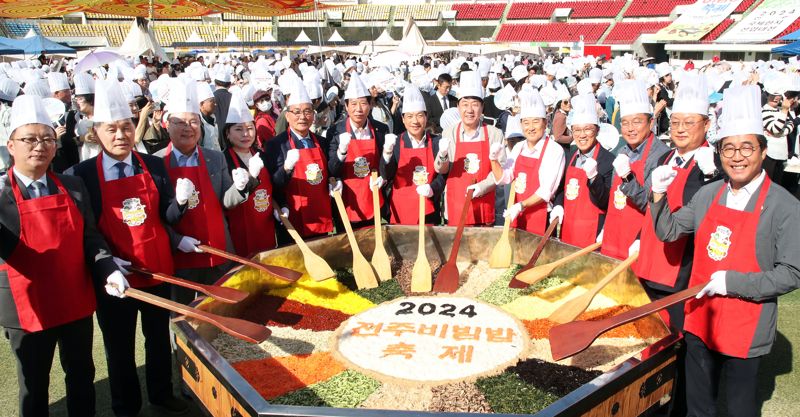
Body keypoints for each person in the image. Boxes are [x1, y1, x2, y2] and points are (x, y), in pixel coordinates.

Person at [649, 84, 800, 417]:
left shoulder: (784, 206)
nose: (737, 156)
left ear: (763, 151)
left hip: (746, 327)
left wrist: (733, 283)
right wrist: (658, 195)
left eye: (747, 147)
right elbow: (669, 230)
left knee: (739, 409)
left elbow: (791, 273)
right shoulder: (709, 194)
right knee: (698, 407)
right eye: (728, 148)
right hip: (701, 318)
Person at [65, 79, 189, 417]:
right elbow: (84, 230)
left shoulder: (155, 166)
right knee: (118, 348)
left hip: (156, 267)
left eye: (126, 127)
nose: (120, 135)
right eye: (111, 129)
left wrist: (180, 203)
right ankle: (126, 407)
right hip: (115, 278)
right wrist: (106, 264)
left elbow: (167, 217)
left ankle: (162, 394)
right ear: (96, 132)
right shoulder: (81, 175)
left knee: (158, 339)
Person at [0, 95, 124, 417]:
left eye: (47, 139)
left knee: (82, 373)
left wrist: (107, 268)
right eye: (29, 139)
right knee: (34, 382)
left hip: (74, 299)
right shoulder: (0, 195)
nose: (39, 146)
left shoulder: (73, 184)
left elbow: (90, 237)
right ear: (11, 145)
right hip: (26, 306)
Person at [631, 73, 722, 331]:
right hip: (650, 257)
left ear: (706, 124)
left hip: (681, 266)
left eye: (689, 122)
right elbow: (653, 203)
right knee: (646, 328)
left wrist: (711, 176)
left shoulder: (712, 164)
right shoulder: (665, 158)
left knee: (672, 332)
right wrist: (639, 238)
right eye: (675, 122)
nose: (680, 129)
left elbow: (709, 215)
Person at [157, 79, 252, 304]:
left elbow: (226, 202)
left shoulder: (214, 157)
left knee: (221, 308)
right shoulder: (157, 162)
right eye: (179, 122)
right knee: (183, 315)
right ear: (167, 125)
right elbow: (155, 217)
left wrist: (240, 188)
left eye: (193, 122)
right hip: (180, 257)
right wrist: (177, 240)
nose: (188, 128)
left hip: (218, 250)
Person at [600, 79, 670, 260]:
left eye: (637, 122)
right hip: (614, 235)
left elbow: (649, 204)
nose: (630, 129)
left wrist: (627, 177)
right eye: (625, 123)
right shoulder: (623, 150)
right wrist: (605, 228)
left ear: (651, 121)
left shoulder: (661, 155)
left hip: (638, 241)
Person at [436, 70, 506, 227]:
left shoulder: (494, 134)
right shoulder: (449, 133)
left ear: (482, 107)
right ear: (458, 106)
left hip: (484, 204)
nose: (469, 110)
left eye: (475, 105)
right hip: (456, 203)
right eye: (465, 104)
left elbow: (500, 173)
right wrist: (442, 154)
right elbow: (441, 169)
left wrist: (482, 187)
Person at [266, 79, 334, 241]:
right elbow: (274, 184)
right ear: (287, 116)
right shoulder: (276, 145)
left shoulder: (322, 142)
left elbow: (330, 171)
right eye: (296, 112)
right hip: (291, 214)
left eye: (307, 111)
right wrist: (287, 168)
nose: (302, 117)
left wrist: (334, 180)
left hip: (319, 211)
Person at [491, 89, 565, 234]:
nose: (530, 128)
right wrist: (493, 159)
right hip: (516, 215)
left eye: (536, 122)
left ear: (545, 123)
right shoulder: (519, 147)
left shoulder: (554, 150)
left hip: (540, 217)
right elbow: (503, 178)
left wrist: (520, 206)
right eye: (526, 122)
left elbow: (545, 192)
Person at [326, 73, 391, 229]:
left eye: (363, 103)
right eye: (353, 104)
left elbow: (386, 165)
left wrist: (384, 176)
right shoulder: (335, 131)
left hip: (373, 197)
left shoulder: (381, 129)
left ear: (370, 105)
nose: (358, 109)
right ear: (346, 106)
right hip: (348, 199)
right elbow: (331, 169)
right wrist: (341, 151)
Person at [552, 93, 614, 247]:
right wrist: (558, 204)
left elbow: (606, 201)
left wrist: (594, 178)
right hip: (569, 229)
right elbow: (561, 188)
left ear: (597, 130)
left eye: (587, 129)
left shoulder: (608, 160)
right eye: (576, 130)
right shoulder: (570, 156)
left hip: (593, 233)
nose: (582, 135)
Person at [222, 90, 277, 256]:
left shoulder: (262, 155)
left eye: (250, 128)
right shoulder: (223, 160)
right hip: (239, 229)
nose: (246, 134)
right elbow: (224, 201)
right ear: (228, 134)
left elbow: (272, 188)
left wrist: (277, 207)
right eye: (239, 130)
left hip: (265, 223)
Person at [383, 83, 446, 225]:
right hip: (401, 211)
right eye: (410, 116)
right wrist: (387, 153)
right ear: (403, 119)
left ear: (426, 117)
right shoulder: (396, 143)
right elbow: (386, 174)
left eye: (419, 116)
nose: (415, 121)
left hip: (429, 209)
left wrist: (432, 189)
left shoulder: (436, 142)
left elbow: (443, 175)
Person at [197, 82, 220, 151]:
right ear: (201, 104)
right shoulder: (199, 124)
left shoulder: (213, 118)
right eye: (212, 101)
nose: (215, 104)